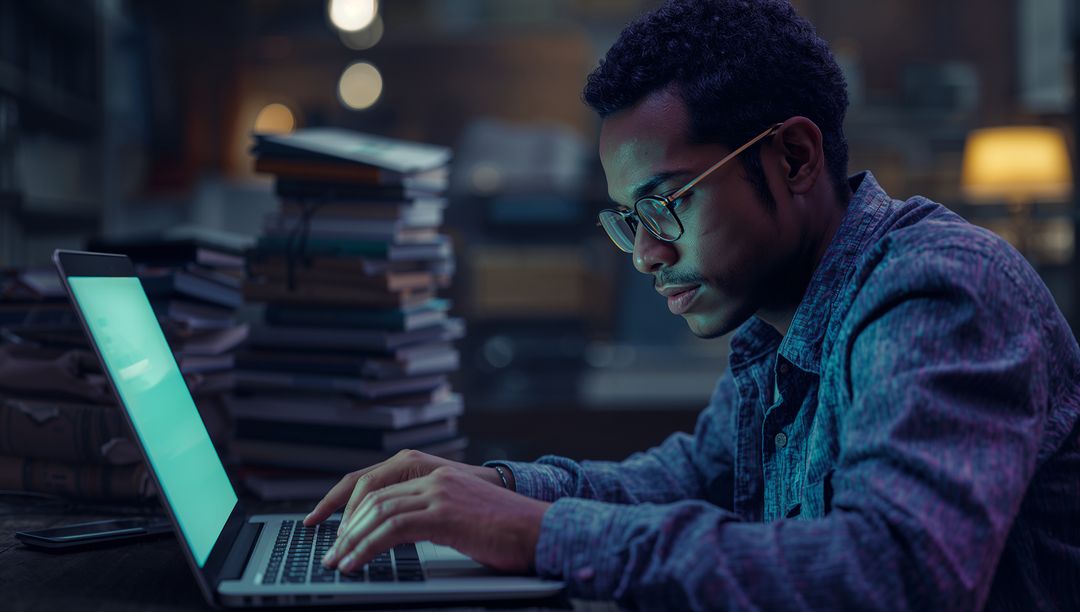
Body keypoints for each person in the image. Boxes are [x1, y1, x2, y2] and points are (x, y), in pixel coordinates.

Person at [304, 1, 1080, 608]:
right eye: (627, 220)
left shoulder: (938, 293)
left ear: (795, 157)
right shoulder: (781, 325)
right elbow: (687, 478)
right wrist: (497, 491)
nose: (646, 253)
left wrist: (538, 533)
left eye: (667, 202)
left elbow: (894, 579)